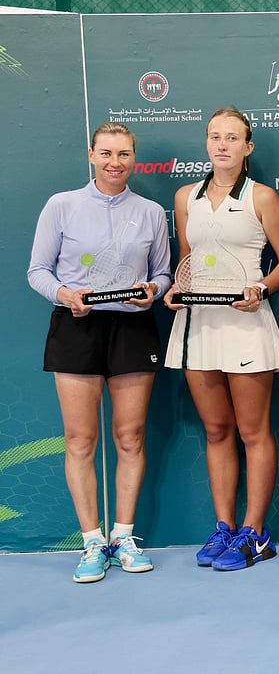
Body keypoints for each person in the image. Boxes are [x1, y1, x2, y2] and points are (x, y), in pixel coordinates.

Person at [27, 122, 171, 583]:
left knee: (130, 438)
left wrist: (152, 289)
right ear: (91, 155)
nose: (115, 162)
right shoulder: (61, 205)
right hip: (76, 326)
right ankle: (92, 541)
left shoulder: (150, 212)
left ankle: (123, 536)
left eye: (124, 154)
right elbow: (37, 270)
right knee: (80, 440)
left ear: (134, 158)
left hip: (132, 329)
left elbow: (165, 275)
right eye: (106, 153)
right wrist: (65, 294)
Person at [163, 107, 279, 571]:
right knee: (217, 431)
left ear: (248, 147)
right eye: (215, 137)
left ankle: (255, 533)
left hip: (246, 323)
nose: (222, 145)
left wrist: (261, 289)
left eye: (232, 138)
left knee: (252, 431)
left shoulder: (263, 197)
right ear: (207, 143)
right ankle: (223, 528)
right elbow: (187, 260)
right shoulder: (185, 197)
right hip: (198, 326)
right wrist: (175, 291)